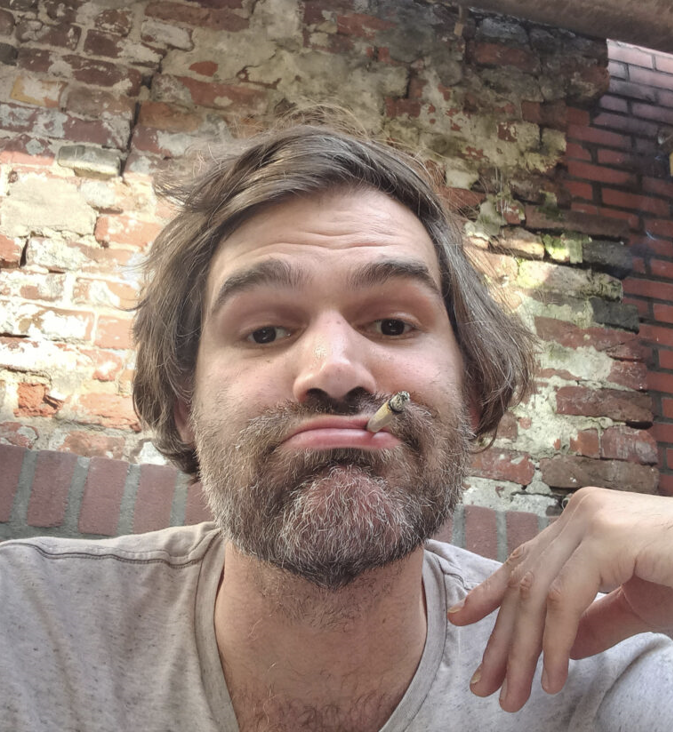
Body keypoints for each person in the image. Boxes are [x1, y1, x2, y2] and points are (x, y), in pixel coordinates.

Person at [1, 121, 672, 732]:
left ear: (472, 391)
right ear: (185, 408)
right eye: (265, 332)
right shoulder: (24, 621)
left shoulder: (606, 670)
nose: (335, 371)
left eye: (393, 325)